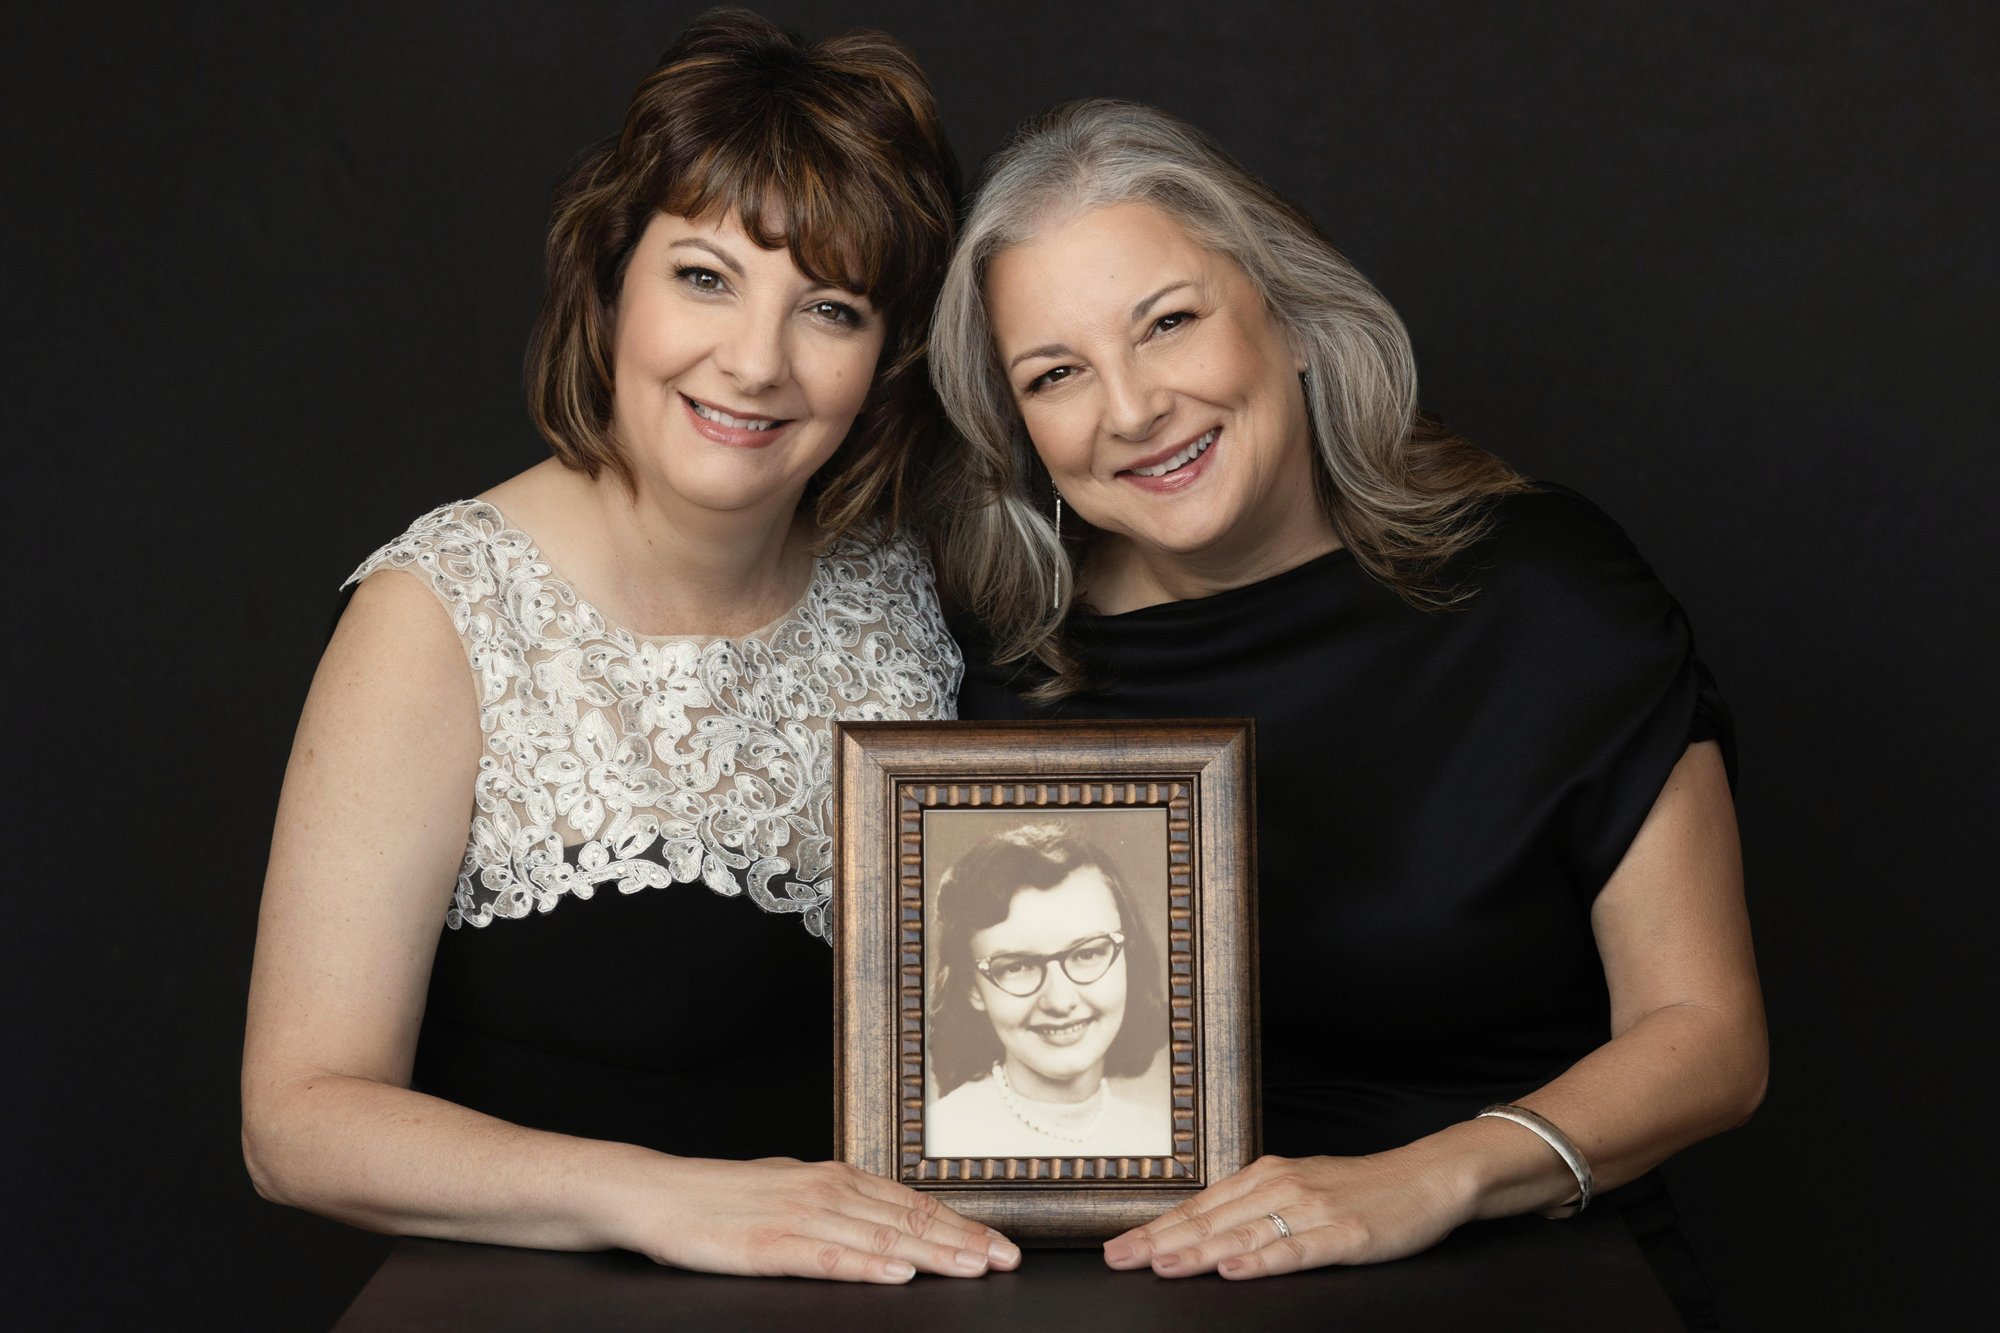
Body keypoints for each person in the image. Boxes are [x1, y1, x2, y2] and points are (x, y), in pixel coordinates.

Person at [929, 100, 1765, 1325]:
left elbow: (1708, 1037)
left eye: (1167, 324)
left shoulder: (1543, 596)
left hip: (1509, 1272)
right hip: (1124, 1293)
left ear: (1292, 321)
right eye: (1055, 374)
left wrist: (1424, 1181)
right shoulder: (1001, 667)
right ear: (1016, 429)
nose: (1129, 409)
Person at [241, 11, 1020, 1284]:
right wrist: (666, 1201)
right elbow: (296, 1124)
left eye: (827, 307)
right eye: (704, 276)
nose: (754, 362)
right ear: (610, 284)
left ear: (886, 360)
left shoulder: (906, 594)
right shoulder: (439, 612)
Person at [924, 822, 1171, 1158]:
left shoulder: (1160, 1135)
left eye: (1087, 953)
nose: (1060, 1000)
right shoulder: (937, 1139)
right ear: (973, 988)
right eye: (1016, 966)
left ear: (1128, 955)